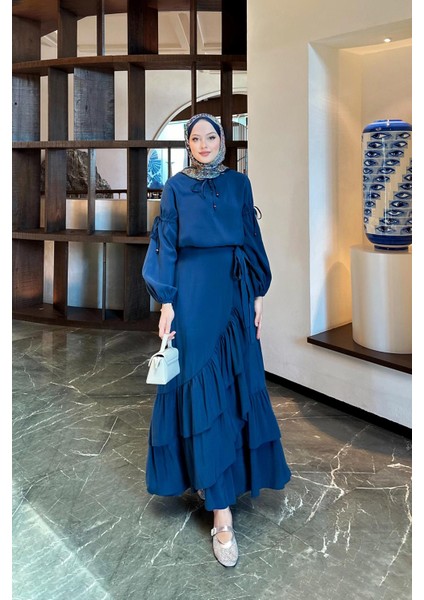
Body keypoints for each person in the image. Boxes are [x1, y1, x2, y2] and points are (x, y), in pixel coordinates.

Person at [142, 113, 291, 567]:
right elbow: (167, 243)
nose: (203, 143)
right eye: (195, 138)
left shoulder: (239, 184)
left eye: (210, 136)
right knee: (200, 388)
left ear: (222, 140)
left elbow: (250, 237)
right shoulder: (175, 187)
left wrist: (258, 294)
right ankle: (220, 512)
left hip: (235, 291)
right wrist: (166, 302)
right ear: (187, 144)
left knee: (234, 387)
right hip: (191, 294)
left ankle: (226, 485)